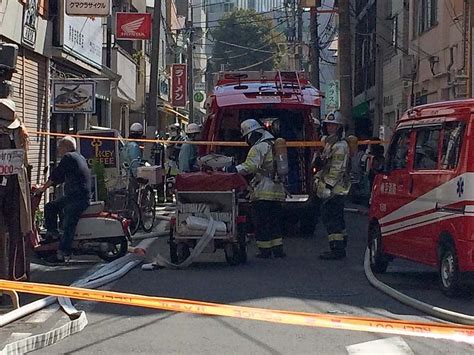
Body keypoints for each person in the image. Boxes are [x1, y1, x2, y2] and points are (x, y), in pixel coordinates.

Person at [227, 119, 286, 258]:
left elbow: (250, 166)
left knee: (261, 222)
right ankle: (278, 250)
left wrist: (232, 169)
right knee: (274, 222)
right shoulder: (273, 143)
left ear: (252, 134)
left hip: (263, 192)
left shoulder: (258, 148)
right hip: (277, 190)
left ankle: (264, 250)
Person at [39, 136, 91, 263]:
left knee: (69, 223)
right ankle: (53, 235)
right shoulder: (79, 157)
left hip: (77, 198)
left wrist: (42, 188)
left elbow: (56, 175)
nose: (58, 151)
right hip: (78, 196)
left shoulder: (68, 157)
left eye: (59, 148)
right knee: (51, 206)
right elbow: (61, 177)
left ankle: (62, 253)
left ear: (66, 147)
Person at [0, 98, 32, 282]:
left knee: (16, 232)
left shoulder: (20, 133)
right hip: (7, 188)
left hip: (15, 188)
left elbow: (24, 162)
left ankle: (15, 276)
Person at [313, 110, 351, 260]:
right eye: (328, 125)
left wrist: (328, 186)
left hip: (335, 189)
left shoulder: (340, 146)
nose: (330, 128)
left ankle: (337, 249)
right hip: (332, 187)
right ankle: (341, 244)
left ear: (340, 128)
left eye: (334, 126)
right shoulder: (330, 144)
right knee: (336, 217)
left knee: (331, 218)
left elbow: (337, 168)